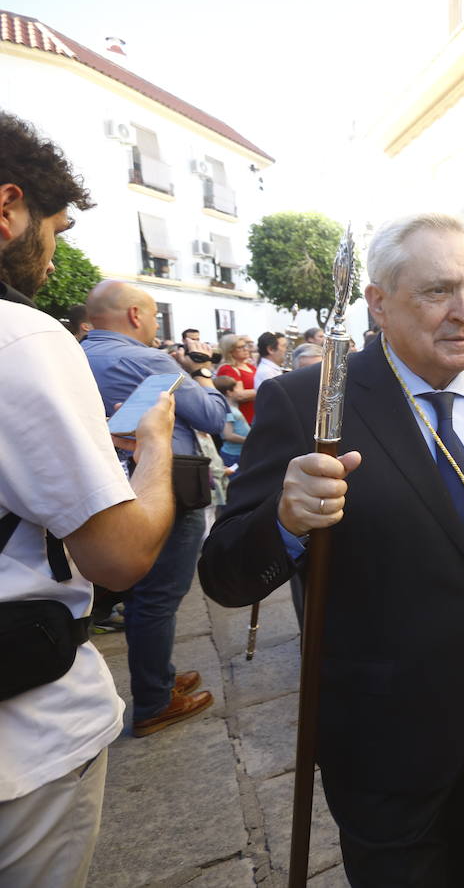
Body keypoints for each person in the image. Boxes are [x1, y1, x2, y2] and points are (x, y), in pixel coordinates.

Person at [199, 213, 464, 884]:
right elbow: (224, 574)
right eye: (437, 291)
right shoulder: (307, 400)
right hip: (381, 736)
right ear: (379, 303)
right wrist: (285, 519)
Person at [0, 110, 177, 887]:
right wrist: (159, 445)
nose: (53, 252)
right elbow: (123, 554)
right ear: (8, 208)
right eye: (56, 228)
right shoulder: (25, 341)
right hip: (24, 741)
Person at [82, 279, 226, 737]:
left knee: (139, 596)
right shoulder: (146, 359)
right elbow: (212, 416)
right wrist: (201, 371)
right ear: (136, 316)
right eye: (154, 317)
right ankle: (154, 701)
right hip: (165, 485)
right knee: (158, 596)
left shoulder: (75, 354)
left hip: (106, 486)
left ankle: (157, 678)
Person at [215, 333, 257, 424]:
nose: (246, 349)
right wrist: (264, 389)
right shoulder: (227, 369)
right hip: (242, 419)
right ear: (230, 351)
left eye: (245, 346)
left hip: (254, 416)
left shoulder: (250, 366)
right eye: (240, 347)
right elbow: (238, 395)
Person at [214, 376, 250, 466]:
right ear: (229, 392)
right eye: (236, 388)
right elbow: (228, 435)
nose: (239, 390)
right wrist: (248, 441)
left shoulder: (232, 408)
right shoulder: (228, 410)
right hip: (233, 455)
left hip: (239, 453)